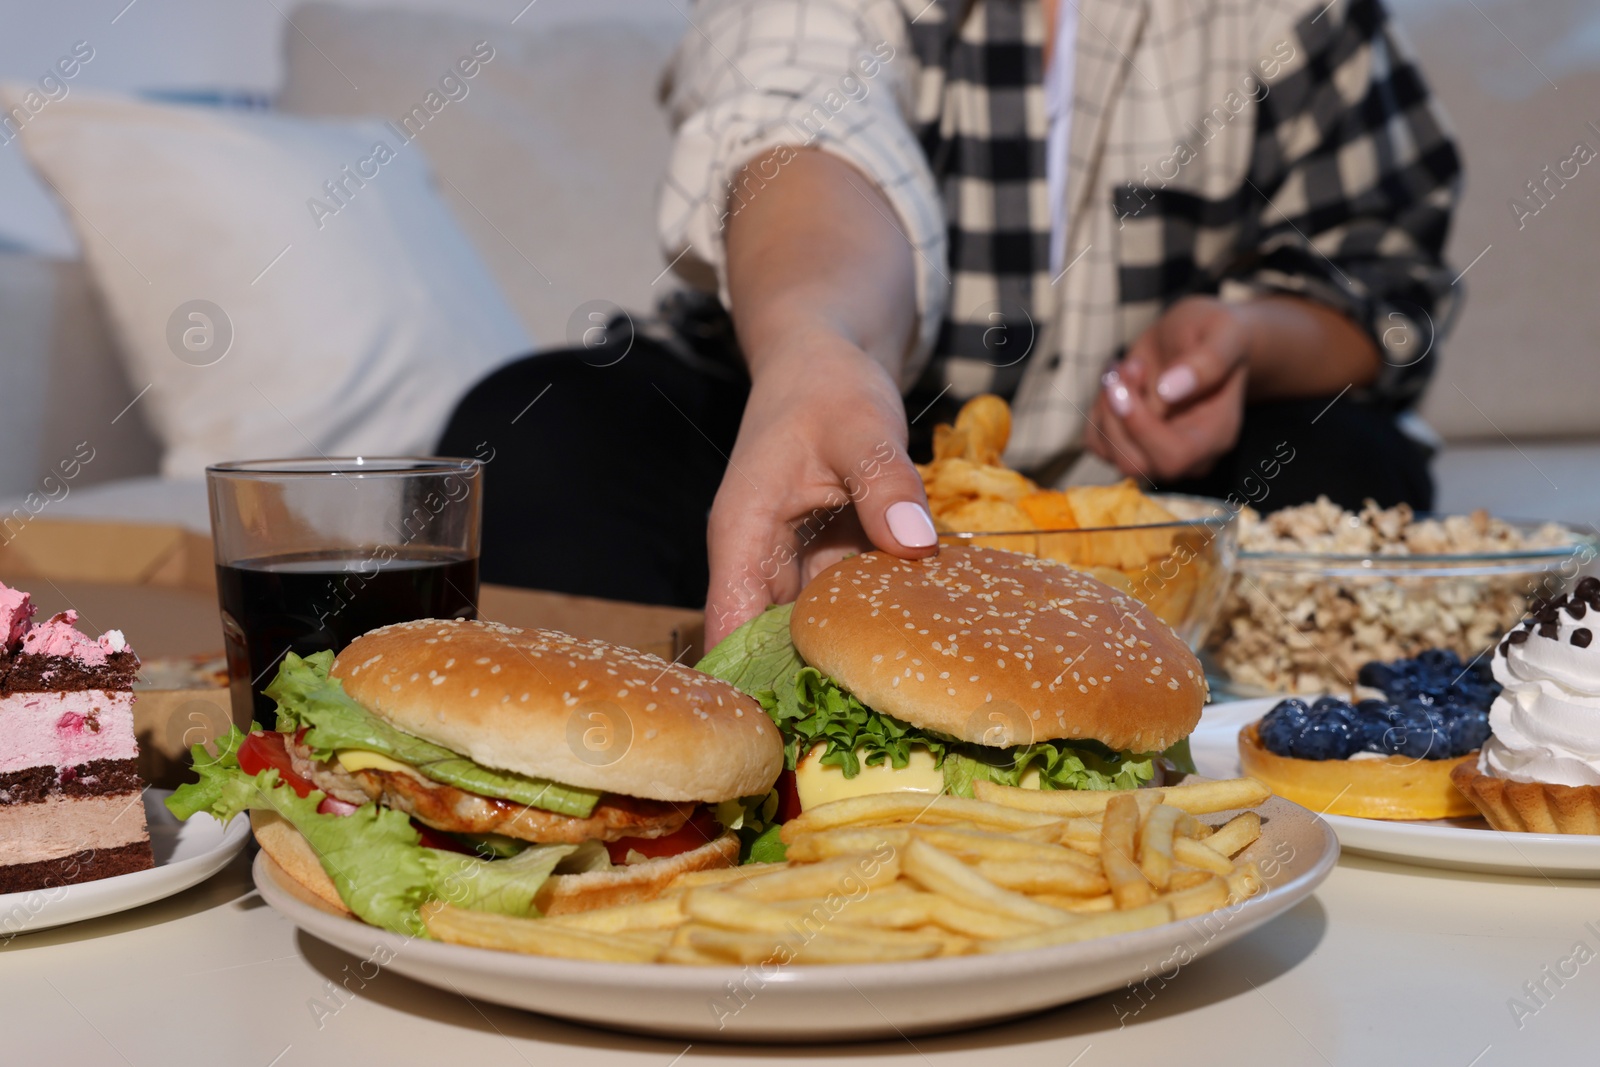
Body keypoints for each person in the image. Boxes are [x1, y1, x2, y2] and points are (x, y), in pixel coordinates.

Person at [440, 0, 1460, 646]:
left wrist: (1249, 340)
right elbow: (797, 119)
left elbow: (1385, 271)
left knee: (1351, 460)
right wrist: (818, 345)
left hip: (1149, 488)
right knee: (537, 432)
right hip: (820, 439)